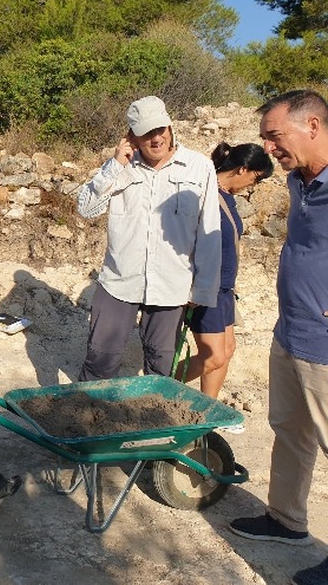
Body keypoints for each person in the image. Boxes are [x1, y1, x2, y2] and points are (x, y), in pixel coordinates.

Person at [228, 90, 328, 584]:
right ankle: (286, 521)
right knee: (291, 432)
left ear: (311, 125)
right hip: (291, 330)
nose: (267, 148)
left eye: (274, 136)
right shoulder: (298, 181)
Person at [77, 96, 221, 381]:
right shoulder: (119, 167)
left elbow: (209, 231)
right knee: (99, 360)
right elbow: (86, 209)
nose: (156, 139)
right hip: (119, 281)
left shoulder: (199, 167)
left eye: (160, 130)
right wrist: (114, 165)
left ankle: (155, 424)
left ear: (170, 127)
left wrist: (202, 289)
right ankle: (90, 422)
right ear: (131, 137)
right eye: (146, 133)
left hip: (172, 285)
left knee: (162, 366)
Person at [176, 142, 274, 403]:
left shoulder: (227, 198)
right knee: (213, 356)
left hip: (224, 289)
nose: (253, 186)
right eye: (255, 178)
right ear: (243, 169)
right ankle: (158, 386)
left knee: (227, 350)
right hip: (207, 289)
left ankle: (205, 415)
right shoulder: (205, 192)